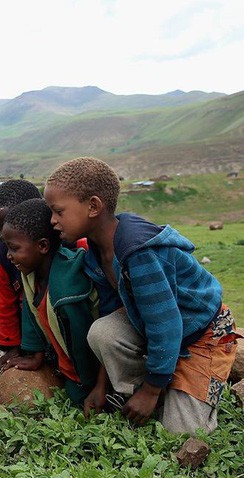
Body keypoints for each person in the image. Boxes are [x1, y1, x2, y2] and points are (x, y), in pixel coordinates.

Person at [44, 156, 240, 434]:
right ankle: (150, 385)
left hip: (202, 333)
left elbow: (167, 325)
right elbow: (115, 312)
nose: (52, 221)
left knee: (181, 432)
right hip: (156, 328)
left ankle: (157, 388)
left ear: (93, 206)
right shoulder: (95, 254)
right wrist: (101, 386)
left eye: (58, 211)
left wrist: (150, 391)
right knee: (103, 331)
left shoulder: (138, 252)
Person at [0, 199, 105, 413]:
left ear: (43, 246)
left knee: (80, 401)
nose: (8, 256)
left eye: (14, 248)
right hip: (66, 364)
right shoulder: (30, 274)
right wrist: (35, 355)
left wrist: (90, 384)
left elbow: (82, 344)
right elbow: (31, 311)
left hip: (93, 366)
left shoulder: (67, 291)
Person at [0, 179, 43, 370]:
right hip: (28, 326)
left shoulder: (65, 248)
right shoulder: (3, 255)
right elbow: (5, 302)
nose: (2, 235)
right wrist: (11, 346)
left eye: (8, 224)